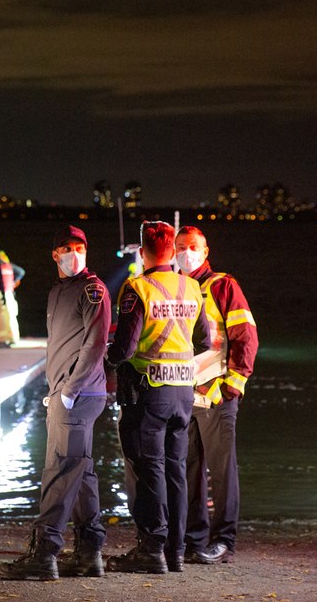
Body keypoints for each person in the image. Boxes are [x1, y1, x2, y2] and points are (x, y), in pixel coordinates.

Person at [2, 225, 112, 581]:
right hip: (66, 394)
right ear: (55, 254)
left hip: (78, 397)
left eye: (80, 247)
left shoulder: (92, 289)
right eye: (67, 248)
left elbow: (95, 345)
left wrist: (68, 390)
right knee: (81, 472)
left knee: (60, 471)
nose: (74, 253)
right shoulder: (58, 292)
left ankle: (44, 554)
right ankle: (89, 553)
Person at [105, 221, 212, 574]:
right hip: (184, 390)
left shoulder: (137, 288)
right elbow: (205, 342)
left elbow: (125, 346)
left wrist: (107, 357)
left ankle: (152, 547)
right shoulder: (193, 286)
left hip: (149, 391)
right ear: (171, 249)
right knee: (176, 471)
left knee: (149, 468)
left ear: (143, 249)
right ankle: (176, 551)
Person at [175, 226, 259, 565]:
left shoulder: (223, 285)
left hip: (217, 393)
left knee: (223, 471)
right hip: (183, 394)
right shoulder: (177, 288)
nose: (186, 252)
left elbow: (246, 337)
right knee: (189, 470)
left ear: (205, 251)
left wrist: (234, 384)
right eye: (180, 247)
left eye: (192, 246)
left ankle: (224, 540)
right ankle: (195, 539)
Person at [0, 246, 25, 343]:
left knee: (6, 317)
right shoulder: (7, 265)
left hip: (4, 294)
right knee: (8, 317)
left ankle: (7, 338)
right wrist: (13, 281)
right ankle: (9, 338)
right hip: (7, 293)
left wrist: (13, 282)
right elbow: (21, 272)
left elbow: (20, 272)